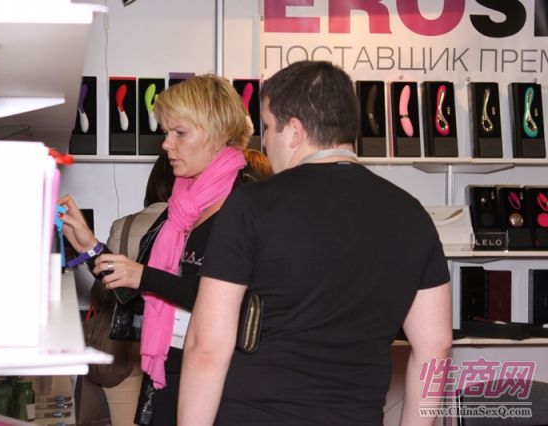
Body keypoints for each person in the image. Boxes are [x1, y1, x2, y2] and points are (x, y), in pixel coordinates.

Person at [179, 60, 452, 426]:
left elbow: (207, 347)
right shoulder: (411, 214)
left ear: (294, 131)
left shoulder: (251, 206)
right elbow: (436, 346)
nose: (265, 141)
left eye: (268, 127)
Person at [59, 74, 254, 426]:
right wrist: (90, 247)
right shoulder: (179, 210)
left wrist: (145, 276)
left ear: (218, 133)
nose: (166, 144)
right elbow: (139, 299)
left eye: (179, 133)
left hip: (223, 384)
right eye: (166, 132)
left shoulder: (247, 208)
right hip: (167, 374)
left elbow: (230, 302)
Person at [102, 151, 175, 426]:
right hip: (167, 346)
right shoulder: (192, 226)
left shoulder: (123, 225)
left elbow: (104, 291)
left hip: (125, 348)